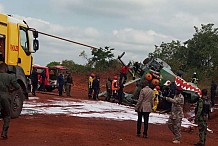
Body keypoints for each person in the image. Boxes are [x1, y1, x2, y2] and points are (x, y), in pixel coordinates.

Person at [0, 63, 21, 139]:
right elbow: (17, 87)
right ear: (6, 69)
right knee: (7, 116)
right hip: (5, 96)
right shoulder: (10, 77)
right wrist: (11, 90)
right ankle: (4, 133)